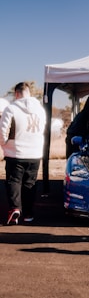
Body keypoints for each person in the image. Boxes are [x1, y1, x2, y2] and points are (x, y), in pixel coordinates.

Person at [0, 82, 46, 225]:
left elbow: (3, 130)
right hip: (35, 153)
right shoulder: (40, 109)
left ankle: (15, 208)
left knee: (14, 181)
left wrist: (4, 144)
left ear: (16, 93)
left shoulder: (11, 108)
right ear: (29, 93)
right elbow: (42, 129)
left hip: (16, 152)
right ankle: (28, 214)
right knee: (30, 183)